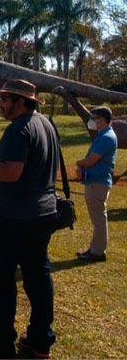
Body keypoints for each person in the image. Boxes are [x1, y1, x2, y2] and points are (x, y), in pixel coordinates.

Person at [0, 79, 59, 359]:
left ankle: (2, 345)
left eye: (5, 99)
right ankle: (41, 341)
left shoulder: (20, 129)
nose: (1, 104)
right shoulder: (46, 124)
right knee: (38, 277)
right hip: (41, 215)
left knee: (0, 281)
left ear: (21, 101)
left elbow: (11, 172)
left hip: (12, 220)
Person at [75, 106, 118, 262]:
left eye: (94, 118)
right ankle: (96, 249)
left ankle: (97, 252)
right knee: (98, 219)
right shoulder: (103, 134)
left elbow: (92, 159)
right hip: (96, 181)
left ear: (103, 120)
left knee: (99, 220)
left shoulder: (106, 137)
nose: (91, 121)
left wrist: (78, 163)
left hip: (97, 183)